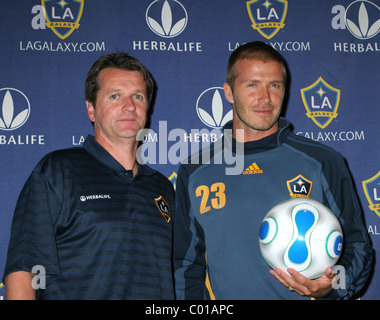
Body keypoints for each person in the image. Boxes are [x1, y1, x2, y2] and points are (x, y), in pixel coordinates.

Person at [173, 41, 373, 300]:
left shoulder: (323, 160)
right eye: (252, 85)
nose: (265, 99)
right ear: (229, 92)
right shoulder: (196, 170)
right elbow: (185, 264)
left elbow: (358, 247)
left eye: (275, 85)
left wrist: (335, 284)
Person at [3, 53, 175, 299]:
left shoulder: (162, 187)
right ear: (91, 109)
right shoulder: (58, 171)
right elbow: (24, 269)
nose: (129, 106)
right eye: (115, 96)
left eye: (138, 96)